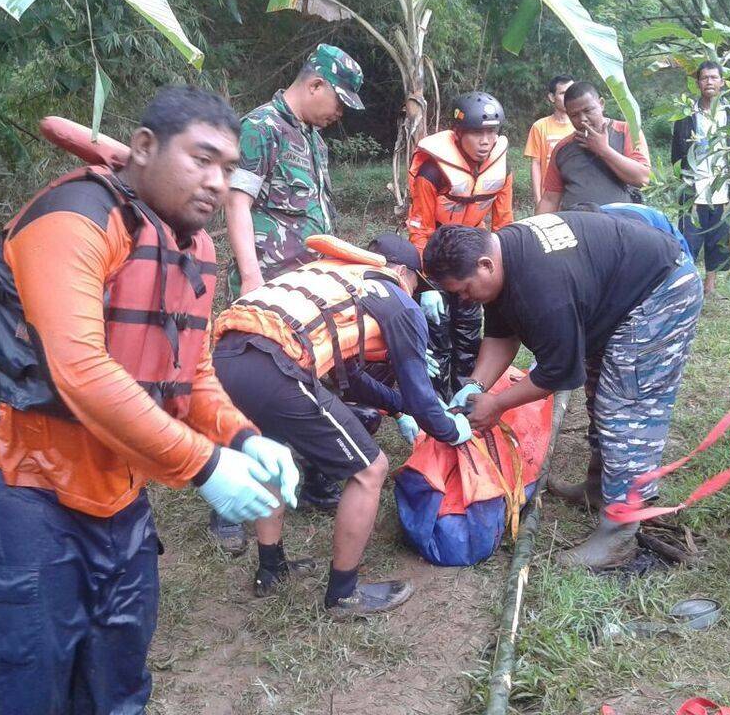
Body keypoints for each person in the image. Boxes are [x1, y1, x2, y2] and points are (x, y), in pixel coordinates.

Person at [0, 87, 299, 712]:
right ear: (143, 146)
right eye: (202, 159)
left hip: (116, 488)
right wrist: (206, 465)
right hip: (20, 481)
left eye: (228, 169)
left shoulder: (195, 246)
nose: (217, 183)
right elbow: (80, 370)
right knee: (27, 687)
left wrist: (243, 437)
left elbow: (192, 372)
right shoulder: (72, 219)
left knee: (118, 682)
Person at [421, 209, 703, 569]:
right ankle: (599, 486)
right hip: (619, 291)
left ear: (485, 265)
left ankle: (619, 535)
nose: (463, 300)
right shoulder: (501, 257)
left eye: (464, 290)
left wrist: (498, 404)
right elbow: (502, 334)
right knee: (601, 393)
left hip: (660, 292)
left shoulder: (541, 289)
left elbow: (557, 372)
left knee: (625, 410)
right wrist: (475, 385)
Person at [212, 233, 472, 616]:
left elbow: (351, 380)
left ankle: (271, 570)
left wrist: (400, 410)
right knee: (370, 470)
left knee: (272, 452)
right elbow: (421, 397)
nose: (417, 293)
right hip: (272, 365)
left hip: (225, 358)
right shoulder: (396, 298)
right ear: (403, 272)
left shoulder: (330, 277)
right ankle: (343, 595)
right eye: (418, 284)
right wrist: (452, 429)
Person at [219, 43, 366, 546]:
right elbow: (237, 203)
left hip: (307, 285)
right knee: (250, 388)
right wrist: (251, 277)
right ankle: (227, 502)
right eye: (340, 102)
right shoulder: (260, 127)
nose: (340, 113)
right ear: (315, 84)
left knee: (310, 374)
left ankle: (312, 474)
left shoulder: (314, 139)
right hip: (269, 282)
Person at [406, 91, 514, 399]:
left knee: (468, 331)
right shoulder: (432, 171)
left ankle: (465, 398)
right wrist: (426, 284)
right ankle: (435, 404)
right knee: (437, 334)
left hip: (473, 255)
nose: (486, 141)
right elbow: (420, 230)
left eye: (492, 132)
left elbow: (504, 223)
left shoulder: (501, 168)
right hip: (436, 257)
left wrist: (506, 270)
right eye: (477, 133)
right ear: (458, 133)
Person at [536, 81, 651, 215]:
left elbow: (643, 178)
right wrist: (534, 226)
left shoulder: (626, 131)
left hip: (622, 222)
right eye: (574, 115)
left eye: (588, 110)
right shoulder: (563, 148)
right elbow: (550, 199)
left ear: (601, 104)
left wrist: (604, 150)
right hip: (577, 223)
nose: (583, 119)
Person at [671, 61, 730, 296]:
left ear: (722, 82)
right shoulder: (687, 115)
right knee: (689, 238)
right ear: (698, 83)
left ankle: (710, 286)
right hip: (694, 188)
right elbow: (676, 153)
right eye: (705, 78)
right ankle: (687, 285)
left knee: (717, 238)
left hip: (721, 188)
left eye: (714, 77)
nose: (709, 82)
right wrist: (683, 182)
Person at [525, 75, 575, 207]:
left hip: (574, 198)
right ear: (552, 97)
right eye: (563, 93)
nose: (568, 97)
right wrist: (538, 200)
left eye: (571, 92)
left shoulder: (581, 126)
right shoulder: (539, 126)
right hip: (549, 198)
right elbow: (536, 164)